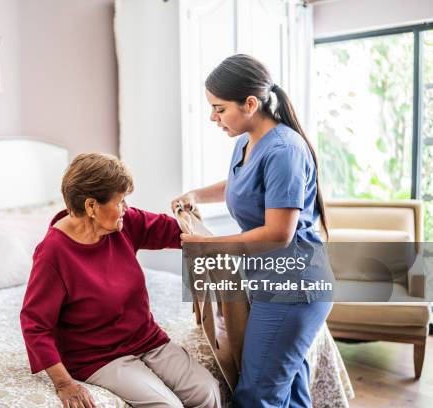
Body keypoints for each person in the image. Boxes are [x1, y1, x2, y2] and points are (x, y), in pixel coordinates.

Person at [172, 54, 333, 408]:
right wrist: (198, 194)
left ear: (250, 103)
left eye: (219, 109)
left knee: (257, 394)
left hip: (294, 286)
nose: (212, 118)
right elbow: (241, 183)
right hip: (269, 279)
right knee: (288, 391)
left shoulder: (285, 150)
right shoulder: (246, 142)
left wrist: (209, 245)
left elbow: (279, 234)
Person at [21, 153, 221, 408]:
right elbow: (35, 325)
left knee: (208, 391)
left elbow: (177, 233)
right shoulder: (53, 253)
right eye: (120, 201)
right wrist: (64, 383)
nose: (126, 207)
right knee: (167, 406)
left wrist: (192, 220)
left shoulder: (125, 224)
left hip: (146, 338)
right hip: (97, 357)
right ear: (91, 206)